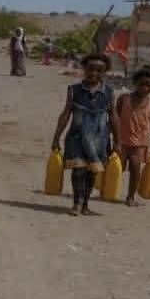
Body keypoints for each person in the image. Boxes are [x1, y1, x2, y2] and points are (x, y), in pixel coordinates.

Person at [51, 53, 119, 217]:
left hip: (99, 140)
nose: (94, 73)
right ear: (84, 69)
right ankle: (77, 203)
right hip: (76, 138)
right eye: (90, 69)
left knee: (92, 172)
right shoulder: (74, 90)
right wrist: (56, 137)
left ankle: (86, 205)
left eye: (99, 70)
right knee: (78, 170)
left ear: (104, 72)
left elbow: (114, 117)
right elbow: (65, 114)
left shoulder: (109, 92)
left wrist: (118, 141)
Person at [116, 66, 150, 206]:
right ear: (135, 83)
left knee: (135, 168)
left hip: (140, 143)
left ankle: (130, 196)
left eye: (149, 85)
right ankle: (109, 190)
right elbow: (114, 119)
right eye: (141, 84)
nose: (144, 88)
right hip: (122, 141)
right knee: (118, 167)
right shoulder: (123, 99)